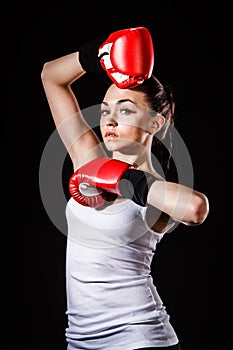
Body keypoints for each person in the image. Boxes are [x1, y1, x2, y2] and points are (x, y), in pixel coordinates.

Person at [41, 27, 209, 350]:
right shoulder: (87, 159)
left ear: (154, 123)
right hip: (79, 340)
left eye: (126, 109)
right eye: (105, 110)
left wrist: (130, 181)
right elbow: (51, 77)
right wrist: (95, 56)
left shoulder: (155, 190)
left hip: (138, 338)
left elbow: (197, 208)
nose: (109, 120)